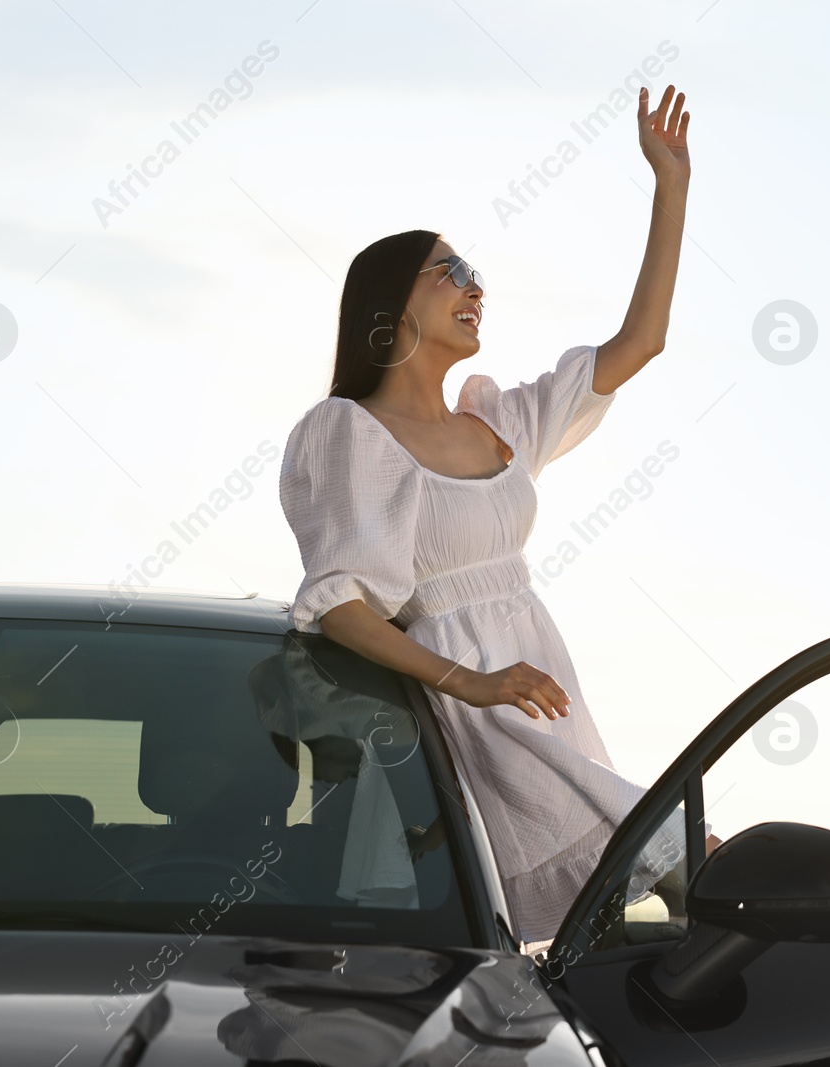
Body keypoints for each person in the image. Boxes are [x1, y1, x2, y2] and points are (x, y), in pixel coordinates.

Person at [279, 85, 715, 946]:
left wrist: (672, 187)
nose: (476, 287)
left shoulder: (499, 419)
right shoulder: (347, 433)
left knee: (645, 886)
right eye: (453, 272)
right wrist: (473, 684)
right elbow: (339, 604)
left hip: (542, 690)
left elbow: (641, 342)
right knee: (671, 849)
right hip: (464, 703)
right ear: (393, 303)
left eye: (475, 275)